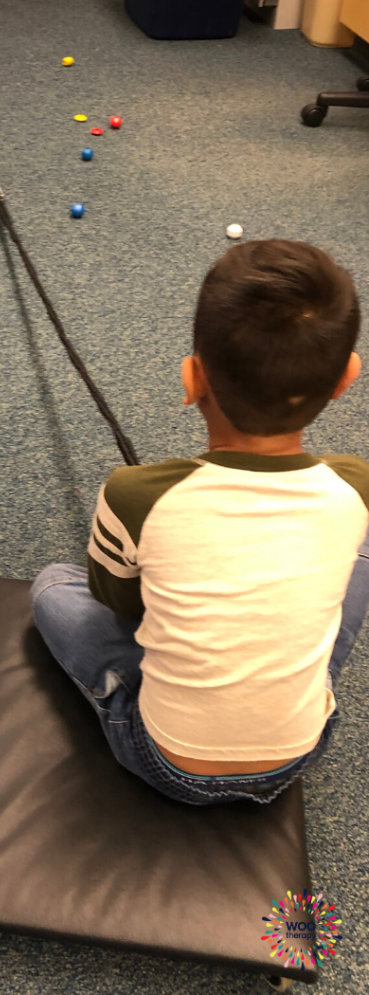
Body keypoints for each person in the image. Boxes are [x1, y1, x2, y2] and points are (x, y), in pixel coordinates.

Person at [31, 239, 369, 805]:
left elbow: (120, 602)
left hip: (165, 761)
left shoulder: (133, 494)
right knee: (356, 553)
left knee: (51, 586)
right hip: (301, 751)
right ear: (346, 379)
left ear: (192, 380)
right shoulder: (353, 484)